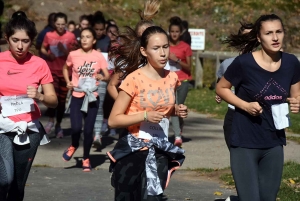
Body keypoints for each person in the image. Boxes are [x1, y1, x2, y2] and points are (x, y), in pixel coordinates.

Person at [216, 14, 300, 201]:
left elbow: (295, 95)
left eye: (279, 32)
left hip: (274, 141)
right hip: (244, 141)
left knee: (267, 198)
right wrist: (244, 105)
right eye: (269, 33)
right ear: (259, 37)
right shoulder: (244, 63)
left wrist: (297, 102)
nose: (275, 37)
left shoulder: (291, 63)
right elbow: (221, 88)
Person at [108, 25, 187, 201]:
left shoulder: (172, 78)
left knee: (152, 198)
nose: (163, 53)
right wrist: (145, 115)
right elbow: (113, 120)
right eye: (156, 48)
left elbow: (164, 110)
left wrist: (177, 110)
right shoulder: (133, 79)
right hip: (133, 150)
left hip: (159, 148)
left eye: (165, 47)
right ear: (144, 51)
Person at [0, 11, 57, 200]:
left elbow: (53, 100)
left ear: (31, 41)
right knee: (4, 179)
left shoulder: (39, 64)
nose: (19, 46)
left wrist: (40, 95)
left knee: (17, 184)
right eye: (15, 40)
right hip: (2, 126)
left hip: (29, 129)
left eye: (25, 41)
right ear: (7, 38)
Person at [62, 27, 109, 171]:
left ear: (94, 40)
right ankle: (74, 144)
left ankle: (86, 158)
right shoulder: (73, 55)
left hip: (92, 97)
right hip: (77, 96)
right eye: (82, 37)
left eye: (88, 37)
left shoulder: (98, 56)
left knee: (88, 131)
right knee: (76, 128)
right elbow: (65, 68)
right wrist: (68, 81)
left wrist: (102, 77)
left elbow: (107, 75)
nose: (84, 39)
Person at [215, 22, 252, 150]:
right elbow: (220, 83)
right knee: (236, 157)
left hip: (256, 115)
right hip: (233, 114)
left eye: (252, 36)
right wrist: (219, 93)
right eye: (245, 37)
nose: (248, 41)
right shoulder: (228, 63)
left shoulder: (265, 63)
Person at [41, 12, 77, 138]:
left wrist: (64, 50)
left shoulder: (71, 36)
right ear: (54, 24)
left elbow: (75, 54)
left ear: (66, 24)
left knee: (62, 101)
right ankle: (50, 121)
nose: (60, 27)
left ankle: (58, 124)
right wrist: (48, 54)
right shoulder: (49, 35)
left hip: (66, 72)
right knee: (52, 97)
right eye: (58, 24)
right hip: (51, 70)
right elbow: (42, 48)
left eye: (63, 24)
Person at [168, 16, 192, 147]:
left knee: (180, 108)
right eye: (172, 31)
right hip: (168, 81)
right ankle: (177, 137)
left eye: (176, 31)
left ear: (180, 32)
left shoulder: (185, 47)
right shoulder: (165, 46)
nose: (174, 34)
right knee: (173, 107)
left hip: (183, 80)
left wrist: (176, 60)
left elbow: (189, 67)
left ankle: (179, 129)